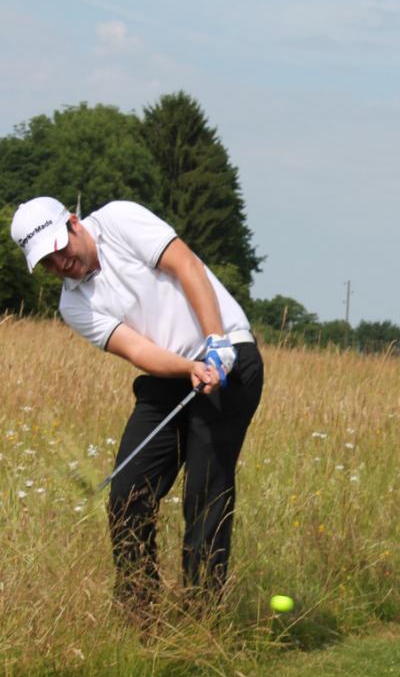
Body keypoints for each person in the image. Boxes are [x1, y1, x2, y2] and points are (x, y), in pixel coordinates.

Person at [10, 196, 263, 618]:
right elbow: (138, 350)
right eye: (48, 263)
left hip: (229, 356)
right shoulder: (73, 305)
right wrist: (189, 367)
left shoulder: (119, 219)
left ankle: (202, 616)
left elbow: (186, 267)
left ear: (73, 223)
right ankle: (139, 617)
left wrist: (216, 340)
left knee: (204, 490)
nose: (60, 265)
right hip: (172, 374)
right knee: (127, 494)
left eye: (60, 250)